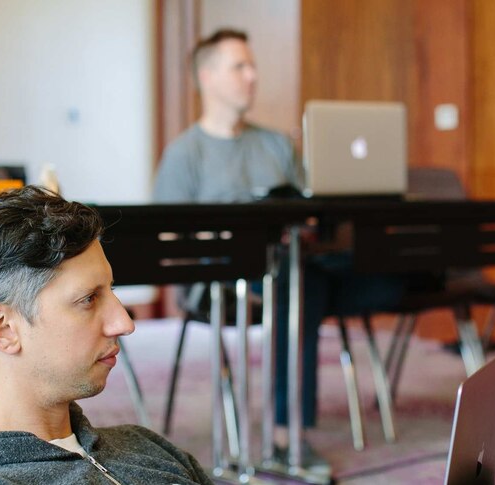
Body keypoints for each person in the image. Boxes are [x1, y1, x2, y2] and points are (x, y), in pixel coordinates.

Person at [152, 28, 438, 468]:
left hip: (297, 270)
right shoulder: (184, 154)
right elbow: (170, 238)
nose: (253, 76)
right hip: (225, 281)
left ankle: (288, 425)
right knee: (299, 288)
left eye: (253, 66)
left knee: (388, 275)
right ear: (206, 76)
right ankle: (288, 432)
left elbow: (310, 212)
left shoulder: (275, 145)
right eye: (239, 67)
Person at [0, 186, 213, 485]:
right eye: (88, 299)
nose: (124, 323)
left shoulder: (146, 447)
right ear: (1, 328)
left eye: (111, 290)